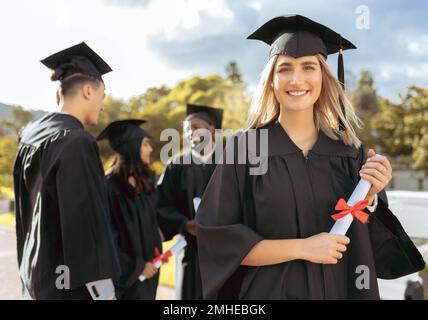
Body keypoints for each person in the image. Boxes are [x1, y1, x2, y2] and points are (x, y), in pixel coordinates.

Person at [196, 15, 425, 300]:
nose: (296, 79)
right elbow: (218, 240)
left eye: (308, 67)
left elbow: (373, 249)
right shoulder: (245, 149)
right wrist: (302, 248)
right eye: (285, 69)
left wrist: (372, 198)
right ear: (271, 81)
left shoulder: (349, 153)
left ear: (324, 77)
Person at [13, 42, 120, 299]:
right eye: (102, 96)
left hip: (36, 278)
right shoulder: (77, 142)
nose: (103, 105)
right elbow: (87, 228)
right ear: (87, 91)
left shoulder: (29, 134)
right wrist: (105, 292)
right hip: (68, 290)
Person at [157, 103, 223, 299]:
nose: (189, 133)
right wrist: (184, 223)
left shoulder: (230, 162)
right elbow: (162, 204)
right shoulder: (176, 165)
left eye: (195, 127)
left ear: (211, 128)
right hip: (189, 249)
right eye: (186, 130)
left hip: (224, 248)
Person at [97, 119, 162, 300]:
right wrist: (137, 266)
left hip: (149, 274)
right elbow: (104, 239)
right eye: (145, 144)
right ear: (131, 147)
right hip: (124, 280)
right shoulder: (108, 187)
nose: (150, 149)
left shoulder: (146, 182)